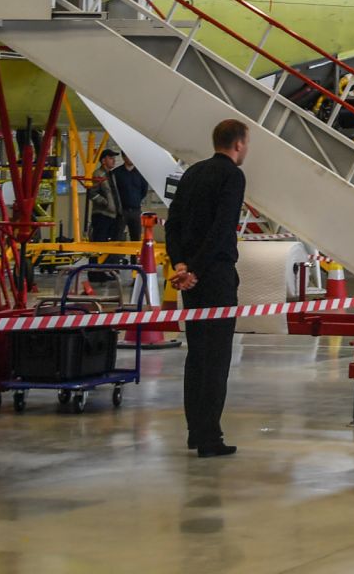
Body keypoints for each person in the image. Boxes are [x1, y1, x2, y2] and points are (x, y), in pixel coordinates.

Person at [165, 119, 250, 457]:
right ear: (239, 145)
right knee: (216, 358)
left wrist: (181, 265)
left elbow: (173, 223)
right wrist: (198, 268)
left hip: (191, 278)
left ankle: (195, 431)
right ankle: (210, 437)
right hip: (214, 276)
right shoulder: (233, 176)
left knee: (197, 355)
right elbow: (222, 228)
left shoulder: (192, 173)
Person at [86, 148, 125, 243]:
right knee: (99, 243)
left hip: (113, 215)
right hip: (102, 216)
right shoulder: (98, 174)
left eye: (114, 158)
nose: (114, 160)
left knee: (112, 244)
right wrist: (105, 203)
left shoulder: (111, 175)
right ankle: (96, 258)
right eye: (111, 158)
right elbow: (92, 192)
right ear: (103, 161)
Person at [113, 152, 150, 243]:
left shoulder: (140, 173)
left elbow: (144, 190)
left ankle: (134, 257)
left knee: (136, 238)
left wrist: (136, 200)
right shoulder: (116, 173)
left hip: (136, 210)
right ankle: (115, 257)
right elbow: (114, 191)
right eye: (129, 156)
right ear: (123, 157)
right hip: (121, 211)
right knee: (117, 237)